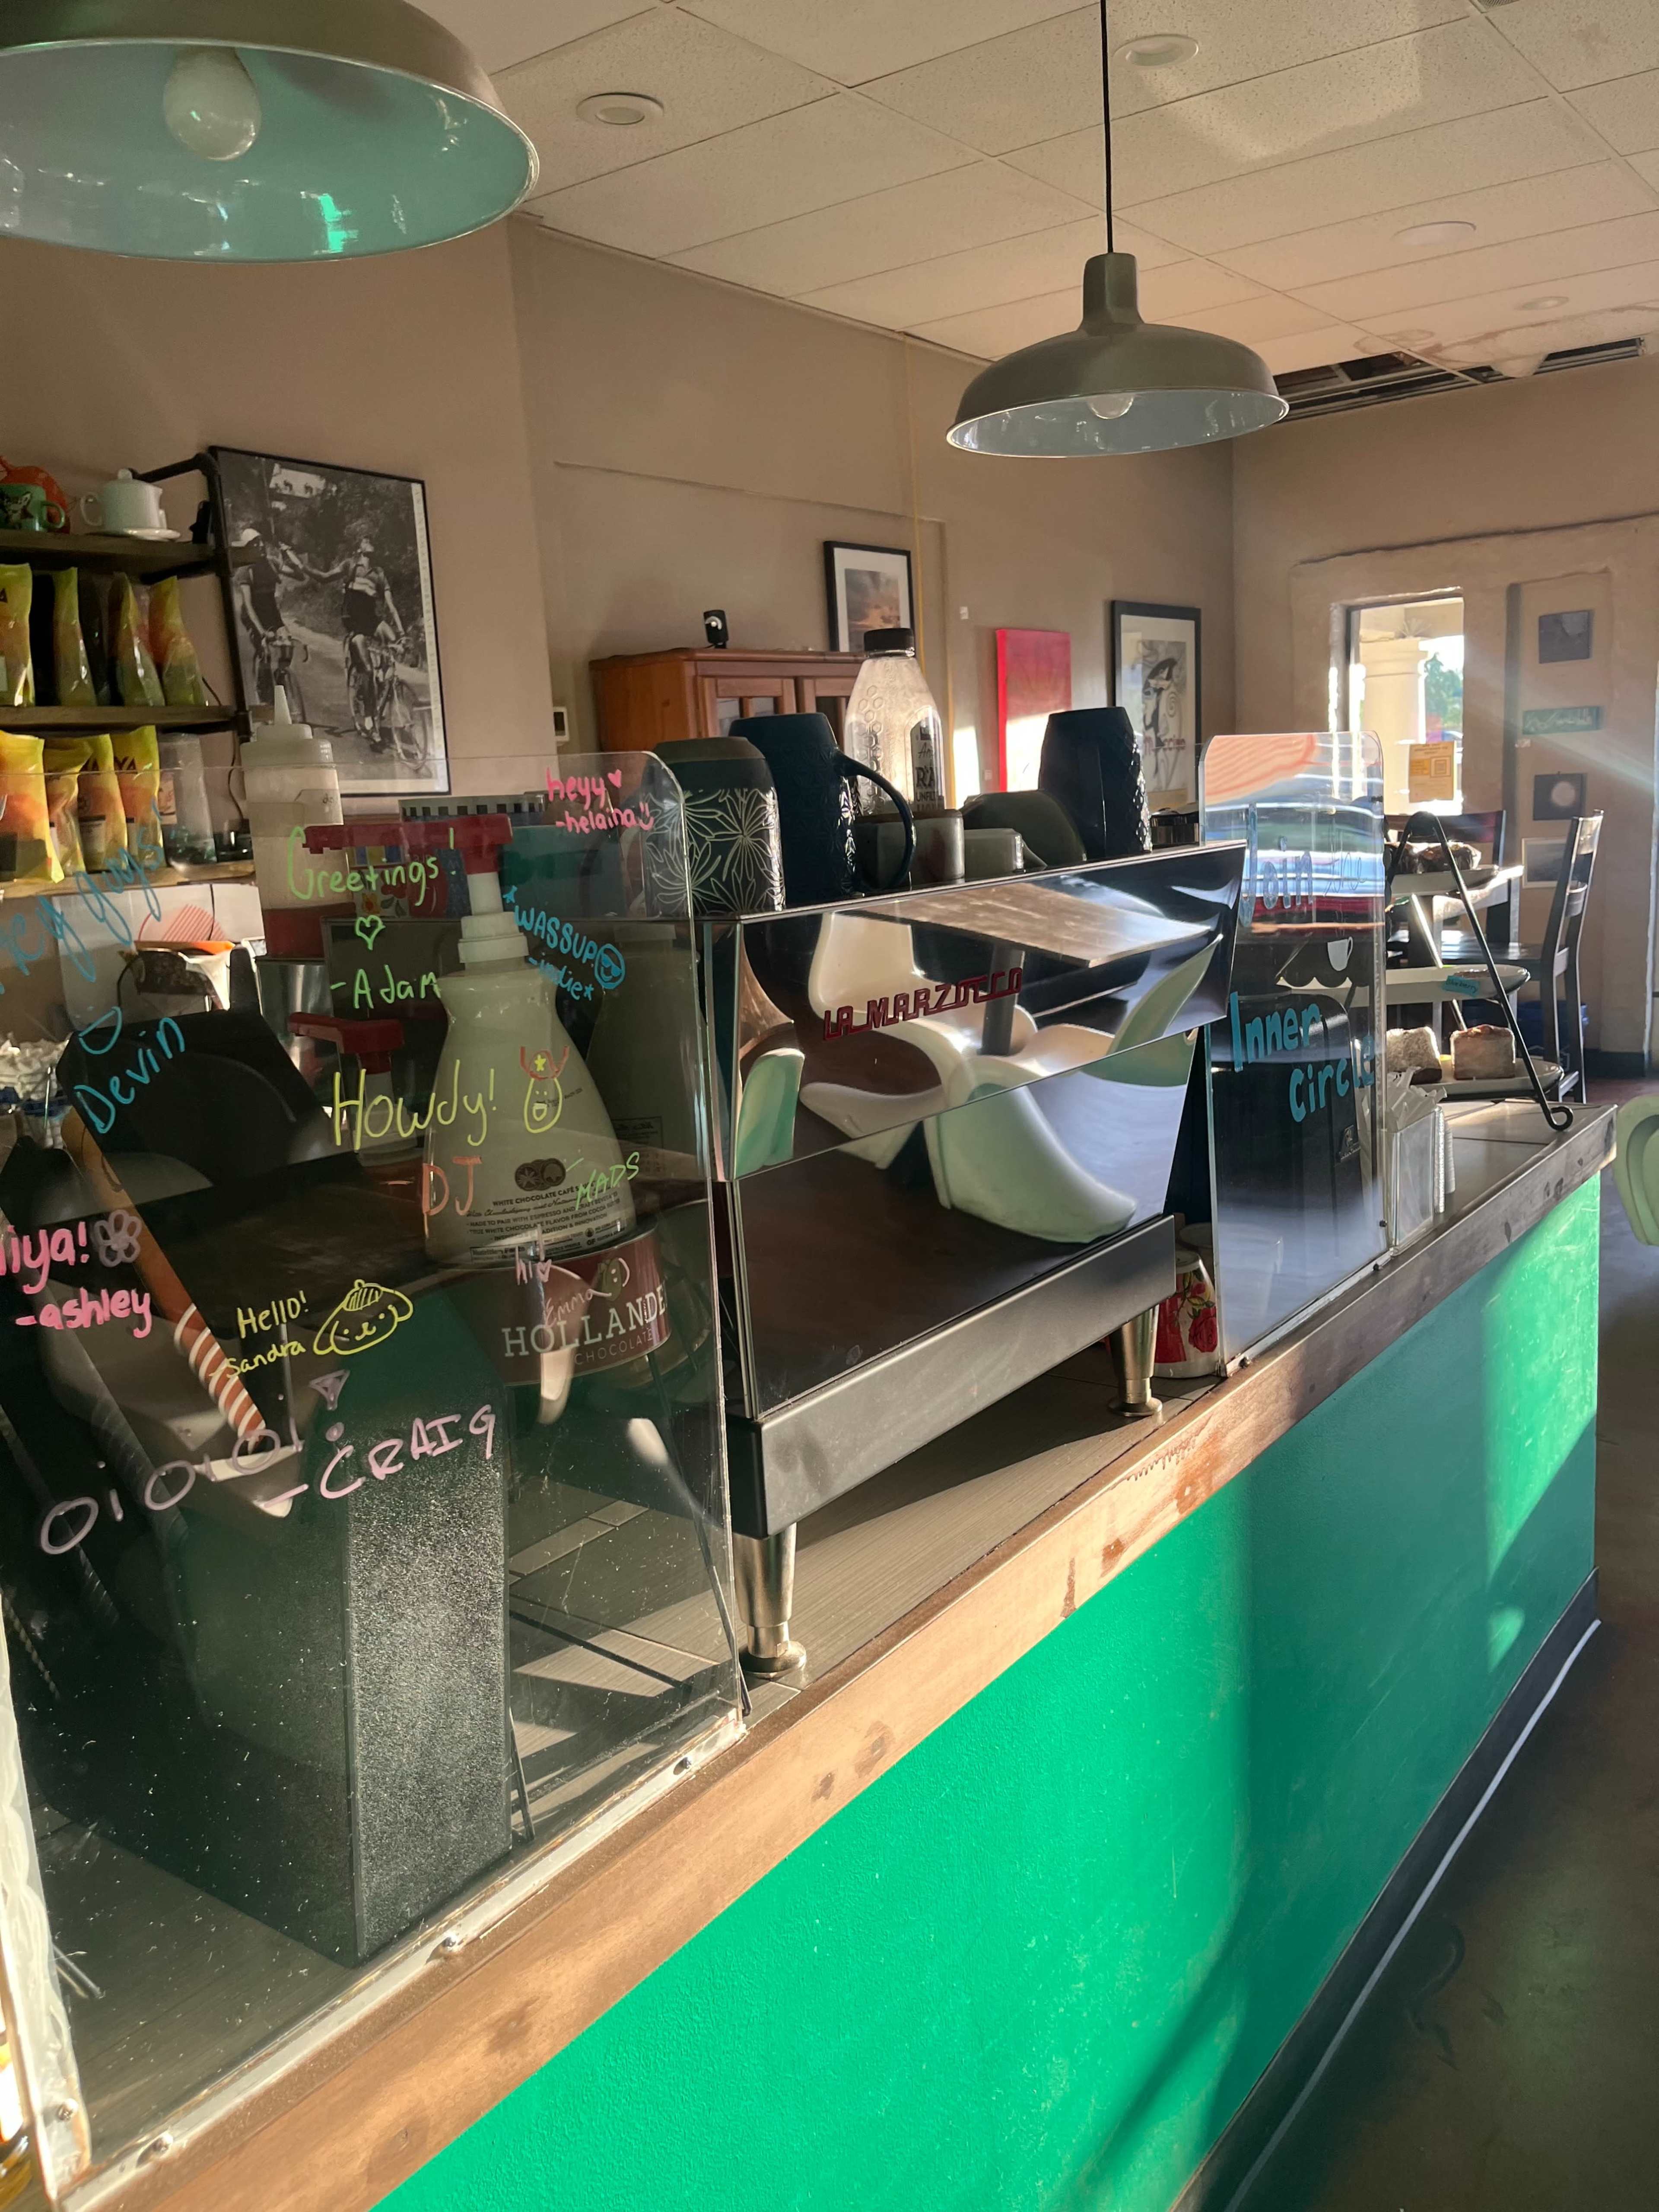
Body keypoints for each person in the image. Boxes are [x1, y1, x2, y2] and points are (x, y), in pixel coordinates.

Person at [310, 537, 403, 742]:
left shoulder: (379, 573)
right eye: (367, 541)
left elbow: (391, 605)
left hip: (371, 620)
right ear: (360, 548)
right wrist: (299, 566)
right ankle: (370, 718)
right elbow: (325, 577)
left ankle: (382, 685)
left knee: (393, 640)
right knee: (367, 670)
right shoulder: (350, 565)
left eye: (373, 540)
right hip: (353, 621)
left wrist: (403, 634)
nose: (371, 543)